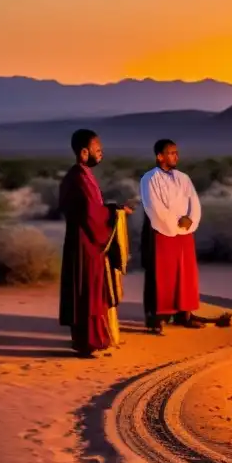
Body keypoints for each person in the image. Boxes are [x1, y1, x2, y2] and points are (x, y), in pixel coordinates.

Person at [58, 129, 133, 357]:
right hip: (86, 244)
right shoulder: (79, 178)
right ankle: (88, 343)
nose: (101, 154)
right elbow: (92, 215)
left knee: (90, 292)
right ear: (83, 152)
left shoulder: (82, 175)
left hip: (85, 242)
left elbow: (94, 210)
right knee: (87, 292)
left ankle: (92, 340)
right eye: (97, 150)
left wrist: (113, 209)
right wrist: (116, 213)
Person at [139, 139, 203, 333]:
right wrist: (176, 221)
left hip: (185, 232)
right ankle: (157, 317)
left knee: (185, 273)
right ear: (160, 156)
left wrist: (190, 220)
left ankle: (184, 313)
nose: (176, 156)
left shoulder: (184, 178)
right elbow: (154, 207)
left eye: (177, 152)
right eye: (171, 152)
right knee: (162, 274)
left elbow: (195, 202)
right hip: (162, 231)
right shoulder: (149, 179)